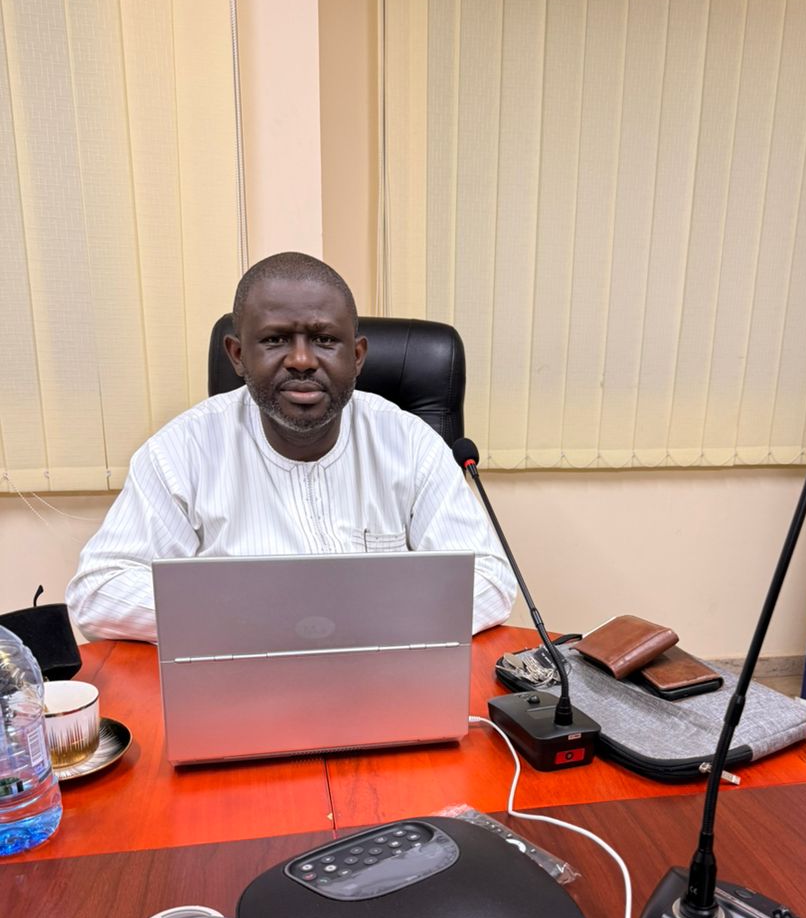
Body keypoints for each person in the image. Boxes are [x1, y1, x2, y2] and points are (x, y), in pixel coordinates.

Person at [66, 253, 516, 640]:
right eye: (275, 340)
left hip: (384, 673)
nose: (302, 360)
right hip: (242, 679)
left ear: (357, 356)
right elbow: (99, 591)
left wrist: (340, 620)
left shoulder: (410, 443)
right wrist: (272, 618)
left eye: (325, 340)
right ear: (238, 355)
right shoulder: (181, 452)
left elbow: (490, 581)